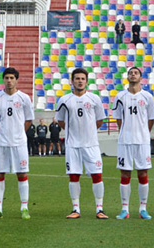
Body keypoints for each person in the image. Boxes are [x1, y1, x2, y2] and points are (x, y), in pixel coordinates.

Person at [56, 68, 108, 219]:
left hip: (91, 145)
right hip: (73, 145)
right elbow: (60, 120)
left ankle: (100, 209)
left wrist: (88, 132)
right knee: (74, 176)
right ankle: (75, 209)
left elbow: (99, 120)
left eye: (82, 78)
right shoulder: (64, 100)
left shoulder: (94, 99)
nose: (80, 81)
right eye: (77, 78)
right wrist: (74, 132)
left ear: (86, 81)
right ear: (72, 81)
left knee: (97, 175)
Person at [0, 67, 34, 220]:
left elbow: (28, 120)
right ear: (3, 80)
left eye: (12, 78)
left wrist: (18, 132)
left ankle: (24, 207)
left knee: (22, 173)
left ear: (16, 80)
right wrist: (3, 131)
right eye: (6, 78)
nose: (9, 80)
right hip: (1, 142)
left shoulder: (24, 98)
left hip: (19, 142)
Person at [112, 67, 154, 220]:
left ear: (140, 77)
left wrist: (144, 132)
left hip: (142, 141)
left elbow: (151, 119)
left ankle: (143, 208)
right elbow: (118, 118)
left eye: (136, 73)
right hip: (125, 140)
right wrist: (125, 131)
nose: (133, 74)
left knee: (143, 173)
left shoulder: (147, 97)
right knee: (125, 173)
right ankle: (124, 209)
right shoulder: (120, 96)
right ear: (127, 77)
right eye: (130, 73)